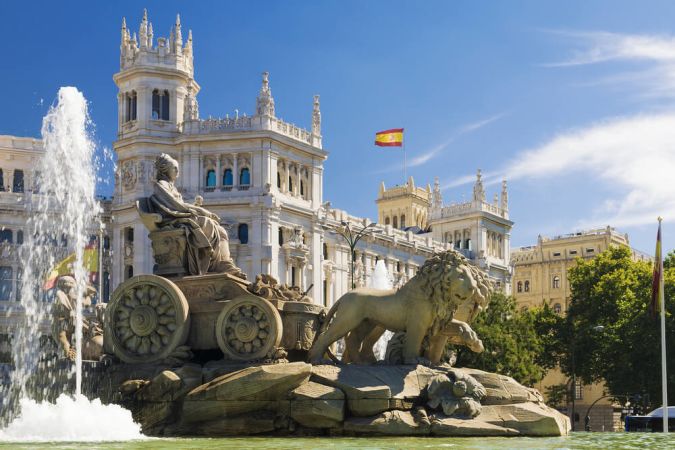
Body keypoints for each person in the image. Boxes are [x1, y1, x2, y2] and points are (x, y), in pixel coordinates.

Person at [150, 153, 246, 278]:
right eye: (174, 168)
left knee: (221, 230)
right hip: (173, 221)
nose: (177, 171)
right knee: (208, 223)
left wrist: (194, 207)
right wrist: (201, 211)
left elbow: (179, 205)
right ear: (165, 169)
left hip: (180, 217)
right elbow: (174, 206)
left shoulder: (171, 187)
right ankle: (212, 264)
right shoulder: (161, 185)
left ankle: (222, 263)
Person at [51, 275, 104, 361]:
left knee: (100, 342)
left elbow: (85, 302)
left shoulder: (63, 296)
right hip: (66, 328)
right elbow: (86, 303)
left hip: (69, 327)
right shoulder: (62, 296)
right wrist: (89, 295)